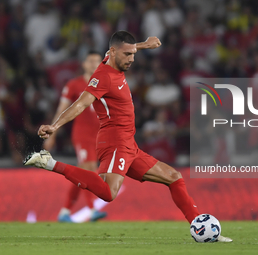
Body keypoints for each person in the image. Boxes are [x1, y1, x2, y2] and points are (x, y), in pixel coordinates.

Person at [24, 31, 232, 242]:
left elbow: (124, 48)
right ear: (113, 53)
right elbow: (81, 103)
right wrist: (55, 126)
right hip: (114, 141)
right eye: (128, 55)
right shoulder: (102, 76)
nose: (132, 59)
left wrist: (144, 45)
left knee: (174, 178)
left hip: (129, 144)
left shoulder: (113, 57)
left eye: (133, 54)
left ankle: (199, 227)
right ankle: (50, 163)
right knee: (108, 193)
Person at [43, 51, 107, 222]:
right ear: (84, 64)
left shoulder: (107, 84)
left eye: (97, 61)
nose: (94, 63)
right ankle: (93, 209)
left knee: (83, 172)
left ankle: (65, 211)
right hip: (82, 133)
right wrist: (52, 133)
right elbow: (61, 109)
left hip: (100, 134)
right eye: (90, 60)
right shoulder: (74, 84)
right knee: (89, 168)